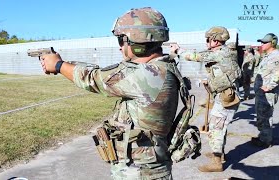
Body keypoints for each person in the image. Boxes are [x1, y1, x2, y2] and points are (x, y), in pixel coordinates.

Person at [40, 7, 183, 179]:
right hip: (150, 167)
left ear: (136, 41)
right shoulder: (163, 68)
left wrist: (58, 65)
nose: (120, 47)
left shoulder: (145, 74)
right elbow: (105, 72)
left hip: (140, 173)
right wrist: (63, 63)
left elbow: (92, 78)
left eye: (122, 40)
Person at [170, 26, 241, 172]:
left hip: (226, 98)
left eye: (208, 39)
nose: (206, 42)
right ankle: (220, 155)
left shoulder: (220, 53)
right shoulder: (224, 52)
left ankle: (217, 163)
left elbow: (196, 57)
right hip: (224, 95)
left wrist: (178, 50)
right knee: (221, 128)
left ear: (215, 40)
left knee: (215, 129)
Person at [251, 33, 279, 148]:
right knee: (261, 115)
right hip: (261, 93)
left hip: (268, 93)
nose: (261, 44)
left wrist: (270, 86)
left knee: (266, 116)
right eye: (261, 42)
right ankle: (263, 136)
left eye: (264, 42)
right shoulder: (268, 56)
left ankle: (266, 141)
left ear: (272, 43)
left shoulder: (276, 55)